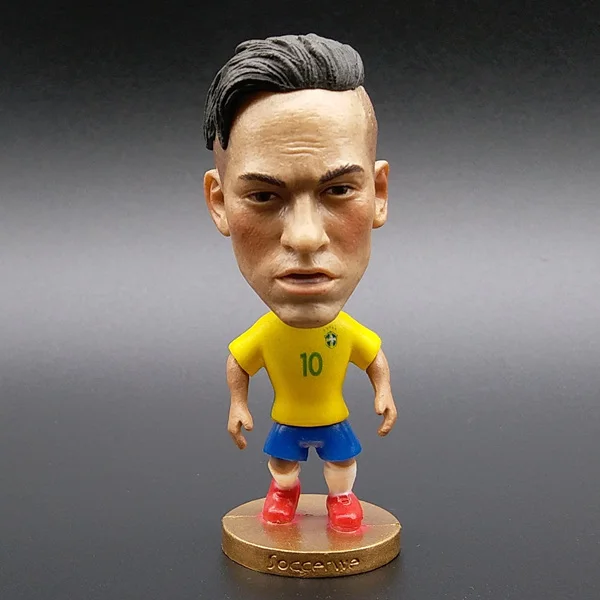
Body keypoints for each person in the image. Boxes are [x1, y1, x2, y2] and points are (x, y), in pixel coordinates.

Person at [203, 33, 397, 533]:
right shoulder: (267, 335)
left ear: (378, 193)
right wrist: (239, 403)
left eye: (339, 189)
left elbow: (372, 357)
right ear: (219, 203)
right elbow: (240, 363)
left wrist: (383, 391)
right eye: (263, 196)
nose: (306, 237)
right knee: (283, 463)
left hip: (332, 418)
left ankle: (341, 500)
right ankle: (284, 493)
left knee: (340, 463)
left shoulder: (345, 333)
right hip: (288, 420)